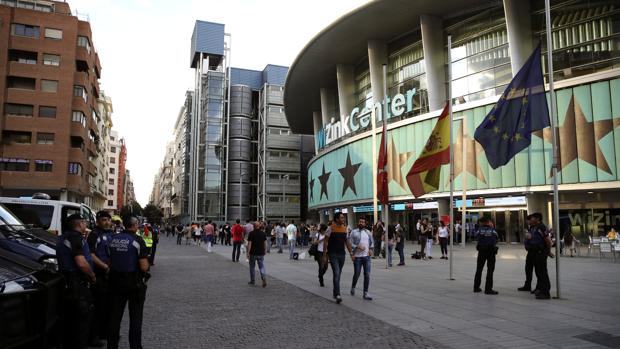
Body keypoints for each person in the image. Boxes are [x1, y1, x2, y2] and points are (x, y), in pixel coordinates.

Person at [107, 216, 150, 349]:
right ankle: (135, 346)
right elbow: (143, 266)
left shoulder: (113, 239)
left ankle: (112, 345)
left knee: (114, 318)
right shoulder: (137, 240)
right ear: (135, 225)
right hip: (133, 283)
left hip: (114, 282)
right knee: (135, 319)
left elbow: (109, 259)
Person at [57, 213, 96, 349]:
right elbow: (81, 263)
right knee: (82, 321)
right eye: (84, 222)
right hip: (77, 284)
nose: (86, 225)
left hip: (67, 282)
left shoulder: (64, 237)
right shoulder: (76, 238)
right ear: (80, 224)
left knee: (70, 320)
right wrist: (92, 275)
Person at [87, 211, 114, 347]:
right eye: (104, 220)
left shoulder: (110, 234)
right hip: (99, 275)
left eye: (108, 220)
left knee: (108, 306)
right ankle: (93, 337)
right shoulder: (94, 235)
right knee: (98, 307)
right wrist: (104, 267)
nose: (107, 222)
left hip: (109, 276)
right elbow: (91, 255)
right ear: (98, 221)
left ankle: (105, 332)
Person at [323, 212, 354, 304]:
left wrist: (351, 253)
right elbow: (325, 242)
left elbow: (347, 242)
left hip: (342, 255)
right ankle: (338, 294)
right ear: (336, 219)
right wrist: (325, 255)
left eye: (343, 218)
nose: (343, 219)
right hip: (333, 254)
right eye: (341, 218)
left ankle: (335, 291)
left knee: (338, 274)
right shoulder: (330, 228)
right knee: (336, 273)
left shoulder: (344, 229)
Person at [527, 212, 552, 300]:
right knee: (538, 272)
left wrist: (548, 251)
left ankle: (545, 293)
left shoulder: (541, 227)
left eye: (533, 218)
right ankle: (541, 289)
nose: (531, 219)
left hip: (540, 252)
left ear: (537, 219)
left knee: (542, 272)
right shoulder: (534, 227)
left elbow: (548, 241)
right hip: (535, 252)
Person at [349, 218, 374, 300]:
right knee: (357, 274)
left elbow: (371, 242)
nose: (361, 223)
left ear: (365, 223)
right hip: (357, 257)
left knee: (367, 275)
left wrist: (371, 249)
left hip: (367, 257)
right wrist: (356, 248)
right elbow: (349, 243)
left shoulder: (368, 232)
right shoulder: (353, 232)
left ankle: (365, 293)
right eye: (360, 222)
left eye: (363, 222)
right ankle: (353, 286)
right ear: (358, 223)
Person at [473, 217, 498, 295]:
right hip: (491, 252)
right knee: (490, 270)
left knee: (479, 269)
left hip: (481, 251)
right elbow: (496, 239)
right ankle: (488, 289)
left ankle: (476, 287)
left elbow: (476, 237)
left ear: (482, 223)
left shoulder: (479, 230)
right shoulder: (493, 230)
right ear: (489, 222)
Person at [518, 215, 538, 294]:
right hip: (530, 251)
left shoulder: (539, 228)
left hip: (536, 251)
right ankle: (527, 285)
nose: (527, 222)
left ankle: (540, 288)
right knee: (528, 269)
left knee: (538, 271)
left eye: (528, 220)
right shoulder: (531, 228)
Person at [246, 222, 268, 287]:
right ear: (259, 226)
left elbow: (249, 244)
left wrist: (248, 252)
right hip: (261, 253)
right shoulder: (263, 233)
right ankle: (263, 278)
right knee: (261, 266)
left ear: (253, 226)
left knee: (252, 267)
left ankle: (252, 281)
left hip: (253, 253)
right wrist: (265, 250)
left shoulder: (251, 233)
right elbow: (265, 243)